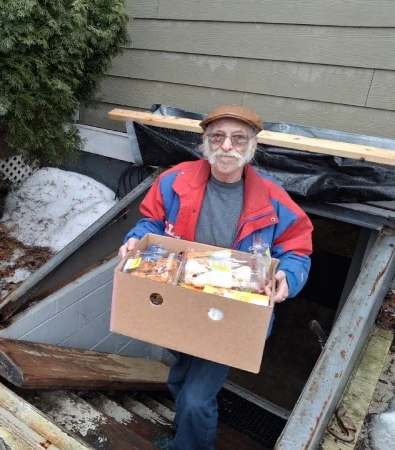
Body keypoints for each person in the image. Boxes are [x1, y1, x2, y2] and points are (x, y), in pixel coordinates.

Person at [117, 105, 313, 450]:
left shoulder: (273, 197)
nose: (227, 146)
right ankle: (183, 435)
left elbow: (297, 248)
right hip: (181, 301)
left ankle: (190, 444)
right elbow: (151, 222)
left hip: (233, 314)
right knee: (179, 374)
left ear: (252, 146)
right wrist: (135, 239)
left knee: (196, 398)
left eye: (238, 138)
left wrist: (287, 275)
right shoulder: (175, 181)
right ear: (204, 142)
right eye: (217, 137)